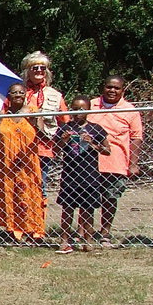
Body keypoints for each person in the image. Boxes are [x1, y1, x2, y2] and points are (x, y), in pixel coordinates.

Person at [89, 75, 143, 248]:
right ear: (103, 87)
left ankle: (105, 233)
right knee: (88, 198)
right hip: (89, 161)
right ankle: (86, 232)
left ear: (122, 90)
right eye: (109, 87)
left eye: (116, 88)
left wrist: (133, 163)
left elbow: (136, 138)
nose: (112, 90)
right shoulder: (90, 105)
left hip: (115, 161)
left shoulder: (130, 110)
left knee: (110, 197)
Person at [53, 97, 110, 253]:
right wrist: (64, 141)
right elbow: (55, 150)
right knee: (67, 208)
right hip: (70, 174)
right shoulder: (65, 128)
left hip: (89, 175)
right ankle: (64, 240)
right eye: (75, 109)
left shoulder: (96, 129)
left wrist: (92, 143)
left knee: (87, 209)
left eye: (82, 109)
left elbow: (107, 151)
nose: (78, 113)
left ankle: (87, 240)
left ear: (88, 110)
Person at [0, 83, 45, 244]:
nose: (18, 95)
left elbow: (43, 134)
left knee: (30, 192)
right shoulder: (2, 114)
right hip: (7, 161)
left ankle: (32, 229)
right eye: (14, 92)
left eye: (21, 92)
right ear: (9, 95)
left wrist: (35, 122)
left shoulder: (33, 112)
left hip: (28, 160)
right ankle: (12, 229)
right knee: (9, 193)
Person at [21, 51, 66, 197]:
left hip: (44, 149)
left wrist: (59, 145)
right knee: (21, 187)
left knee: (40, 187)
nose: (39, 71)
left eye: (42, 68)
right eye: (35, 68)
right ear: (27, 71)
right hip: (20, 147)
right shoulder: (18, 93)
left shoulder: (55, 95)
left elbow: (65, 123)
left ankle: (39, 218)